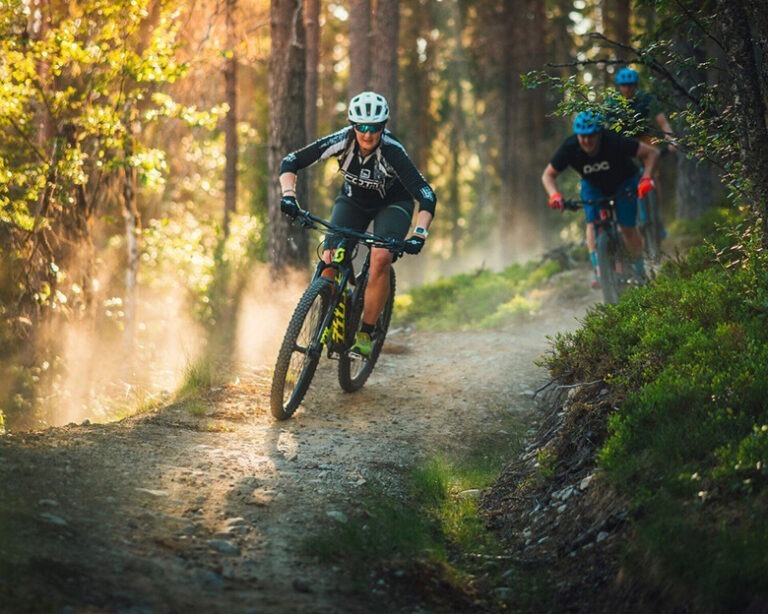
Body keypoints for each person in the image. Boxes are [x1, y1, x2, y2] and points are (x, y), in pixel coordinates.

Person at [278, 91, 436, 357]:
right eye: (361, 126)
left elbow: (426, 194)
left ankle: (366, 333)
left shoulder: (393, 151)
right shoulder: (342, 140)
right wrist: (289, 197)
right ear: (353, 125)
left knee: (380, 257)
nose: (367, 134)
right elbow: (291, 161)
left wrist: (419, 233)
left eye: (374, 127)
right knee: (329, 257)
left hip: (393, 204)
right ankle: (330, 319)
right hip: (353, 201)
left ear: (383, 127)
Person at [542, 110, 660, 287]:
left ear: (599, 134)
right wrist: (555, 195)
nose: (587, 141)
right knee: (592, 223)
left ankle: (639, 270)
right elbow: (548, 175)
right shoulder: (570, 147)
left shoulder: (614, 141)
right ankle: (599, 269)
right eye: (582, 136)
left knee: (628, 228)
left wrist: (646, 179)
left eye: (591, 136)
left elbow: (652, 153)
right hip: (593, 186)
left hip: (624, 182)